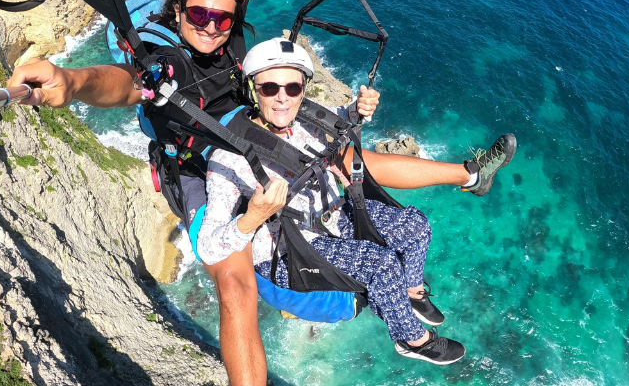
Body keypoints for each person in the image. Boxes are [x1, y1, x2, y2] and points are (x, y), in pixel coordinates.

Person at [7, 0, 513, 383]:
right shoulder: (166, 63)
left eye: (222, 18)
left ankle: (468, 174)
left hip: (250, 126)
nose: (210, 25)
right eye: (198, 13)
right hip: (199, 163)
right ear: (177, 9)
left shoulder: (227, 35)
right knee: (236, 285)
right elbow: (125, 87)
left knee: (348, 158)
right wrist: (70, 81)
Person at [197, 38, 517, 365]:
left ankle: (412, 291)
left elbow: (340, 119)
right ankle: (412, 340)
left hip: (331, 215)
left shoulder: (304, 120)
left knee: (416, 227)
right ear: (253, 89)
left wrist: (359, 109)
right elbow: (208, 248)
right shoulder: (230, 160)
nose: (282, 98)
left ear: (303, 90)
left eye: (292, 88)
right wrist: (252, 217)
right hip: (290, 249)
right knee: (382, 265)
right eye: (269, 88)